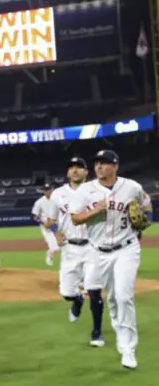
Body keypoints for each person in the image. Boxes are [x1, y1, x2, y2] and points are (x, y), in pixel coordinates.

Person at [70, 149, 152, 369]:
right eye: (97, 163)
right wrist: (95, 210)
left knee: (125, 296)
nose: (99, 167)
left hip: (127, 248)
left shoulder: (132, 187)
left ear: (115, 166)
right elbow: (75, 219)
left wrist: (145, 221)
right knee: (114, 299)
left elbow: (147, 205)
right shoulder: (85, 191)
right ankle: (119, 327)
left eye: (105, 163)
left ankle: (128, 349)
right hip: (99, 252)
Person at [45, 156, 106, 346]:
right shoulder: (57, 195)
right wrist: (56, 233)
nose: (75, 170)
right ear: (67, 173)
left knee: (95, 290)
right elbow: (50, 221)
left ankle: (96, 333)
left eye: (79, 167)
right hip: (70, 249)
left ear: (87, 172)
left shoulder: (99, 192)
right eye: (71, 167)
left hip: (93, 247)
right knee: (67, 293)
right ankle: (77, 300)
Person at [32, 183, 60, 266]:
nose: (47, 192)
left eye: (49, 189)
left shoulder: (58, 200)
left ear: (52, 189)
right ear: (43, 191)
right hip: (47, 228)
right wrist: (42, 223)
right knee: (55, 248)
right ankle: (49, 253)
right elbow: (35, 216)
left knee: (66, 246)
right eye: (46, 190)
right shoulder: (39, 202)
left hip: (58, 226)